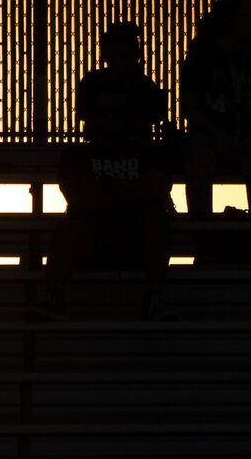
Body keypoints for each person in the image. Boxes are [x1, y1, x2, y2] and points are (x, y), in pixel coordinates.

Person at [49, 20, 171, 316]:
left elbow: (156, 190)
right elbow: (78, 197)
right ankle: (53, 297)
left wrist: (107, 192)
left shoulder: (148, 151)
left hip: (132, 234)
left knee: (155, 221)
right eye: (105, 111)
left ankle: (155, 297)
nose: (113, 118)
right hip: (95, 233)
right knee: (67, 227)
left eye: (122, 110)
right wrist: (128, 193)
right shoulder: (77, 154)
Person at [180, 0, 251, 223]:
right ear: (227, 19)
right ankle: (201, 238)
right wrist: (219, 134)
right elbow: (190, 107)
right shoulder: (201, 52)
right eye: (246, 15)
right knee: (198, 156)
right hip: (209, 136)